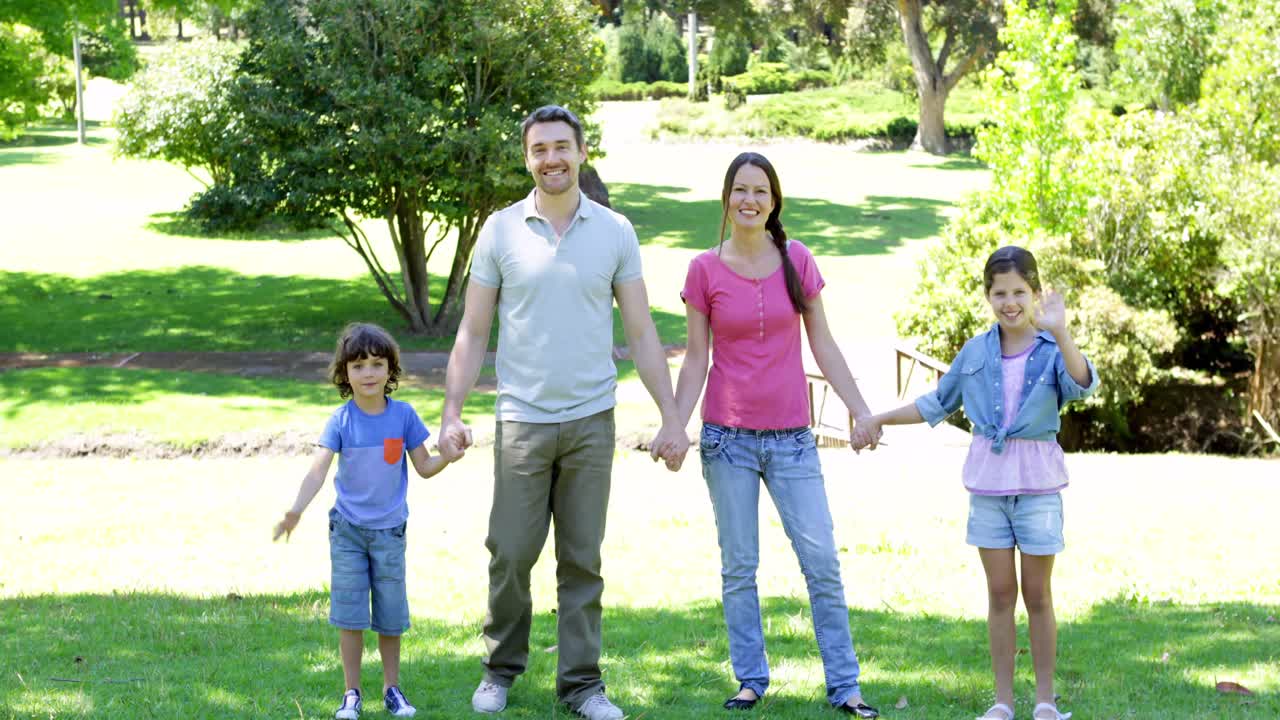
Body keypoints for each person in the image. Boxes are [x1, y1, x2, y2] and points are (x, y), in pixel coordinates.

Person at [437, 105, 688, 720]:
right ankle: (499, 670)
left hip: (590, 421)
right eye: (539, 149)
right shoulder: (500, 230)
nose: (551, 159)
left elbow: (641, 331)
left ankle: (582, 685)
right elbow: (473, 330)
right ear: (528, 158)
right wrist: (451, 412)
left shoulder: (615, 231)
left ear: (581, 152)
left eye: (561, 147)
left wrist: (671, 416)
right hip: (522, 419)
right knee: (510, 552)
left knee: (582, 560)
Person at [671, 151, 880, 717]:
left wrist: (860, 410)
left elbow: (824, 343)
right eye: (740, 190)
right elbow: (695, 359)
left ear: (774, 201)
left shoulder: (797, 259)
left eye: (760, 191)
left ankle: (845, 686)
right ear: (726, 199)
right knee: (739, 567)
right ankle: (750, 681)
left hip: (792, 440)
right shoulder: (703, 270)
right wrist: (674, 424)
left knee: (822, 561)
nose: (750, 200)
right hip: (727, 440)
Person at [857, 246, 1097, 720]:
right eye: (1000, 293)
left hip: (1038, 488)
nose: (1010, 302)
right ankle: (1003, 702)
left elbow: (1082, 385)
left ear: (1035, 293)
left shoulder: (1052, 348)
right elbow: (936, 402)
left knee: (1038, 594)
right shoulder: (975, 352)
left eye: (1019, 292)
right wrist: (879, 417)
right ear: (988, 295)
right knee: (1001, 594)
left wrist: (1062, 332)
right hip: (989, 489)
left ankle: (1045, 702)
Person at [272, 322, 460, 720]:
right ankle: (351, 693)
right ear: (345, 373)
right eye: (358, 366)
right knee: (351, 615)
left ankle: (392, 689)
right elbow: (318, 470)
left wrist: (449, 456)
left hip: (389, 533)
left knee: (390, 616)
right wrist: (294, 512)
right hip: (348, 532)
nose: (368, 373)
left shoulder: (404, 416)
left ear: (390, 369)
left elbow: (425, 466)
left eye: (377, 364)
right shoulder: (341, 420)